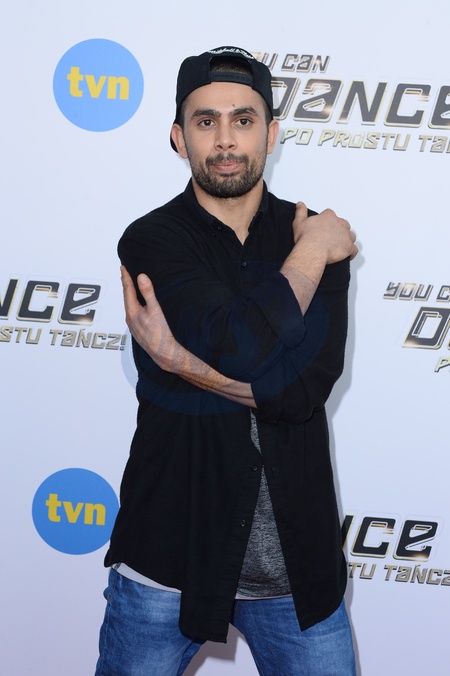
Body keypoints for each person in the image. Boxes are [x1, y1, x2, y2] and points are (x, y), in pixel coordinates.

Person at [95, 46, 358, 675]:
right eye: (205, 121)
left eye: (243, 120)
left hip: (297, 571)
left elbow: (303, 393)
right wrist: (311, 253)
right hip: (169, 555)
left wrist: (179, 362)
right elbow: (241, 348)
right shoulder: (152, 238)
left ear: (271, 133)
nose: (225, 140)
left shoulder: (308, 230)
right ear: (178, 138)